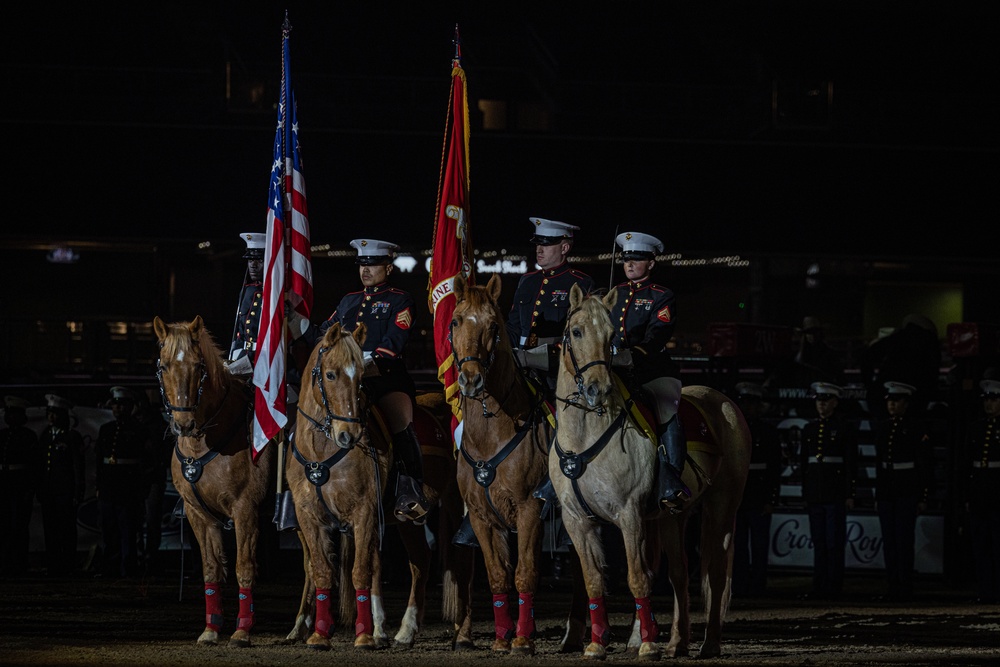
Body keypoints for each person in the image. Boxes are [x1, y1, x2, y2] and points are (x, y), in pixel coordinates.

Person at [289, 238, 429, 523]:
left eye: (373, 264)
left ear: (388, 267)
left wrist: (363, 362)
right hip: (345, 384)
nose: (366, 270)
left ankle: (411, 490)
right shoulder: (349, 301)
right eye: (362, 264)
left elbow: (394, 342)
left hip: (384, 380)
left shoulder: (400, 300)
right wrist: (294, 319)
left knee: (401, 425)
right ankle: (294, 494)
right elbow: (321, 335)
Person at [606, 231, 689, 514]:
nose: (630, 264)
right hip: (614, 371)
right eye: (627, 259)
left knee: (666, 411)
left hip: (651, 371)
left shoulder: (661, 296)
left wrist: (633, 355)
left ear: (651, 263)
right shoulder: (612, 294)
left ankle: (671, 479)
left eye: (637, 259)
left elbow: (658, 335)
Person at [506, 217, 595, 392]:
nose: (539, 249)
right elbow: (513, 328)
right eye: (538, 243)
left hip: (557, 370)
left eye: (546, 244)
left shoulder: (580, 283)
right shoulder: (527, 281)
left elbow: (583, 336)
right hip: (520, 366)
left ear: (565, 248)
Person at [872, 381, 932, 602]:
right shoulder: (883, 426)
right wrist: (878, 494)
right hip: (888, 489)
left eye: (896, 401)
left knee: (904, 541)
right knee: (889, 541)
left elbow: (923, 464)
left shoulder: (916, 427)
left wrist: (922, 495)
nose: (892, 405)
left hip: (907, 488)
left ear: (906, 403)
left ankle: (905, 586)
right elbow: (880, 464)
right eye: (890, 401)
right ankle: (892, 585)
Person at [799, 381, 858, 600]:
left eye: (825, 401)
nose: (821, 406)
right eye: (819, 402)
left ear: (834, 402)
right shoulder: (810, 428)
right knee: (820, 541)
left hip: (835, 492)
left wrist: (850, 493)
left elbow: (851, 463)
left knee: (834, 542)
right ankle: (819, 585)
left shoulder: (844, 428)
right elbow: (805, 464)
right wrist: (805, 492)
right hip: (816, 492)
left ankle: (833, 586)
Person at [94, 386, 152, 578]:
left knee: (128, 530)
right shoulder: (106, 429)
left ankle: (128, 567)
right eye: (115, 406)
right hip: (108, 487)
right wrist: (99, 486)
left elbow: (145, 461)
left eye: (122, 406)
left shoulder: (140, 430)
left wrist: (141, 488)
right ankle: (110, 567)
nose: (118, 410)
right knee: (109, 529)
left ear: (130, 407)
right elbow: (99, 460)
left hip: (128, 487)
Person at [732, 381, 783, 598]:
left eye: (752, 403)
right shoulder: (733, 430)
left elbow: (775, 468)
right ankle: (740, 585)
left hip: (759, 495)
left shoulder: (768, 432)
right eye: (745, 403)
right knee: (739, 547)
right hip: (739, 495)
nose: (748, 408)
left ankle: (758, 586)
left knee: (760, 546)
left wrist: (771, 498)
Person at [36, 393, 86, 576]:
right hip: (49, 491)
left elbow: (77, 467)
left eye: (55, 413)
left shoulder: (71, 437)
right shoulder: (45, 436)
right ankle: (53, 564)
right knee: (51, 529)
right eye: (49, 412)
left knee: (66, 530)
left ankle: (67, 564)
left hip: (65, 492)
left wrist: (77, 492)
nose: (51, 417)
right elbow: (41, 466)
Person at [860, 313, 941, 420]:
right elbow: (933, 372)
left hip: (885, 391)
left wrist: (869, 384)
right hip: (915, 394)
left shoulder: (895, 339)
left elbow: (867, 357)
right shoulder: (929, 343)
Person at [964, 378, 1000, 604]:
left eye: (994, 400)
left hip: (997, 491)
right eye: (987, 400)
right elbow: (969, 463)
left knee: (997, 543)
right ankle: (986, 590)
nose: (989, 404)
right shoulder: (976, 427)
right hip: (980, 491)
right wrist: (969, 495)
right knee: (981, 544)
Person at [0, 396, 40, 577]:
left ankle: (18, 564)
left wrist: (29, 489)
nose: (9, 416)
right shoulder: (2, 435)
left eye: (12, 413)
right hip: (4, 486)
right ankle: (5, 563)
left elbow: (33, 465)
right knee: (4, 526)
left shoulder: (28, 436)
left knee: (18, 527)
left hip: (19, 486)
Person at [136, 388, 173, 574]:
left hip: (152, 478)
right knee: (136, 520)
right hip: (135, 478)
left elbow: (165, 451)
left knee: (151, 520)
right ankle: (139, 555)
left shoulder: (157, 425)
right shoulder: (134, 425)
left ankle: (150, 556)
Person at [227, 232, 266, 375]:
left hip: (267, 358)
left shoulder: (276, 294)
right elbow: (240, 331)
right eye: (250, 260)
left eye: (259, 260)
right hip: (244, 357)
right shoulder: (248, 291)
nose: (253, 265)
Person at [794, 316, 845, 385]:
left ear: (820, 333)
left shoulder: (830, 354)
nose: (812, 336)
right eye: (809, 333)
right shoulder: (801, 354)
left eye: (815, 332)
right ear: (805, 335)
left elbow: (839, 377)